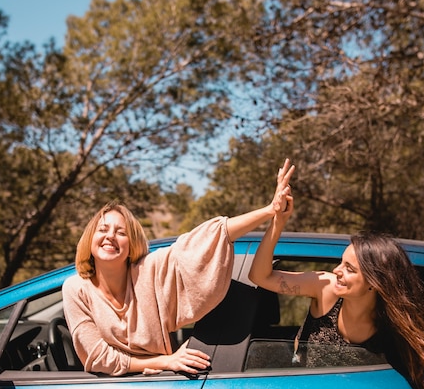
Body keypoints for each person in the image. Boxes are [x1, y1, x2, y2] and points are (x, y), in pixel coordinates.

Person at [62, 159, 296, 376]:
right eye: (103, 230)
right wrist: (163, 361)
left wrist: (270, 211)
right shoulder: (76, 289)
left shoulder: (148, 272)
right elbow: (97, 358)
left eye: (120, 232)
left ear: (131, 243)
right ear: (90, 238)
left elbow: (210, 237)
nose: (110, 237)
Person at [248, 164, 424, 389]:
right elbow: (260, 276)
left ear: (374, 282)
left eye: (349, 268)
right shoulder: (325, 288)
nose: (336, 270)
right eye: (341, 262)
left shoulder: (393, 326)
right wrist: (277, 221)